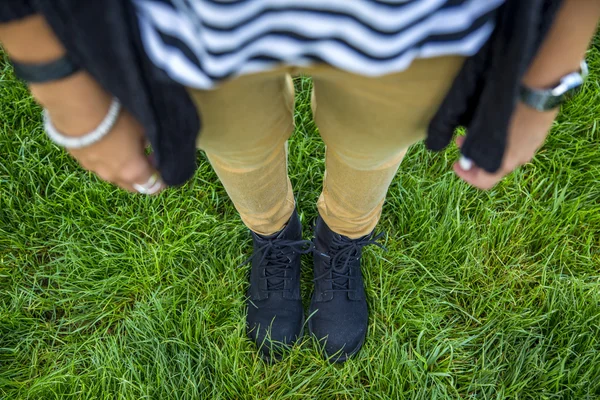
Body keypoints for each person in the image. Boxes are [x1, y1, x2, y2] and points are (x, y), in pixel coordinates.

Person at [0, 0, 598, 363]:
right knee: (237, 146)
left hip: (418, 27)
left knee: (371, 149)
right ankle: (273, 236)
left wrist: (548, 77)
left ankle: (341, 240)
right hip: (190, 24)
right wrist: (61, 88)